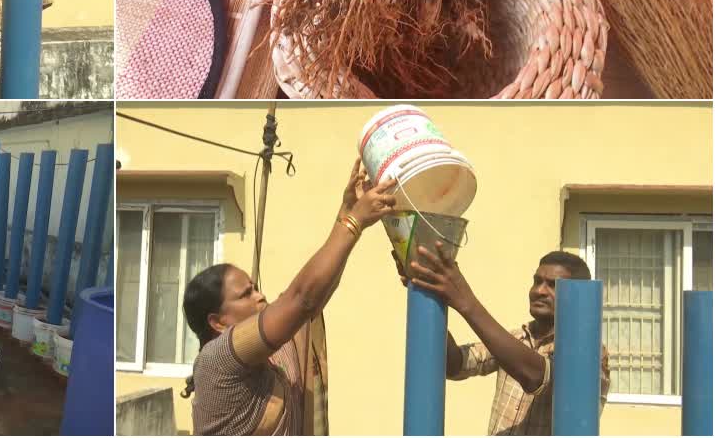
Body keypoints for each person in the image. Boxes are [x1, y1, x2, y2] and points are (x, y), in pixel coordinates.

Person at [180, 160, 398, 435]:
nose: (260, 296)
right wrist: (354, 222)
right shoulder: (217, 360)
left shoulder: (272, 351)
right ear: (218, 322)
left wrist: (348, 212)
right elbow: (302, 299)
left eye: (255, 287)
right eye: (246, 294)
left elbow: (313, 297)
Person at [402, 244, 611, 435]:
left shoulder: (591, 355)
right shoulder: (516, 338)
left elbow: (535, 375)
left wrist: (466, 301)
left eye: (553, 285)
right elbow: (455, 364)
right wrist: (432, 296)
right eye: (537, 281)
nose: (539, 291)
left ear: (577, 294)